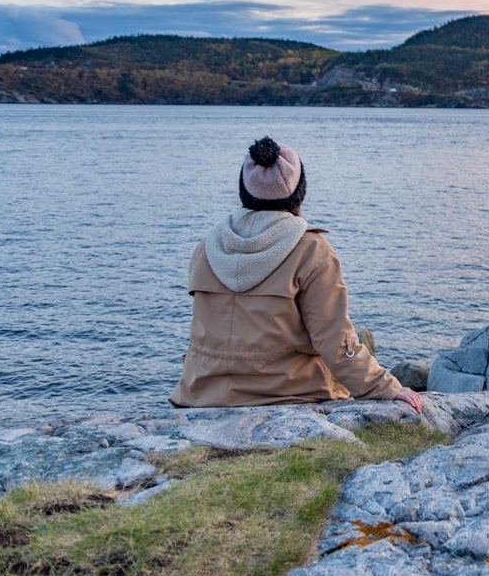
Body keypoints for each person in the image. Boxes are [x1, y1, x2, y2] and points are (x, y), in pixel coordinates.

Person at [169, 136, 422, 414]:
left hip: (202, 394)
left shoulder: (208, 246)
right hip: (288, 395)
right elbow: (334, 340)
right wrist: (385, 387)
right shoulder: (310, 250)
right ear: (299, 191)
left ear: (243, 189)